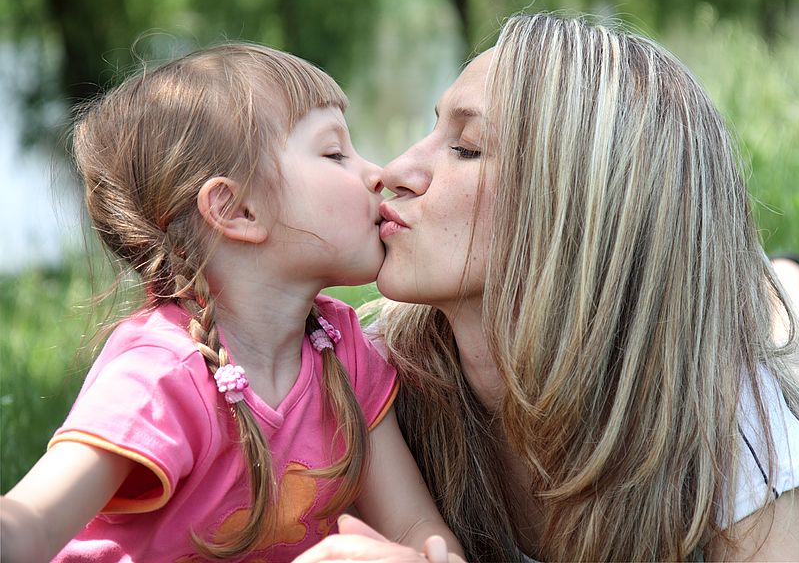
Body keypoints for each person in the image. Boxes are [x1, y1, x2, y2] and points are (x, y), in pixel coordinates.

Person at [298, 13, 799, 562]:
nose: (395, 169)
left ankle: (786, 288)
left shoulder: (712, 411)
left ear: (583, 212)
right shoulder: (365, 378)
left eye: (468, 148)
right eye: (433, 129)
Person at [0, 44, 461, 562]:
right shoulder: (160, 376)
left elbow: (416, 529)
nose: (376, 173)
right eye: (334, 154)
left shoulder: (344, 352)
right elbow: (30, 526)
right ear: (236, 209)